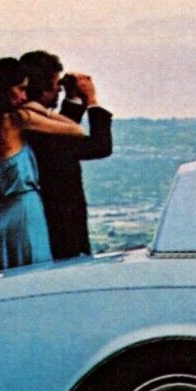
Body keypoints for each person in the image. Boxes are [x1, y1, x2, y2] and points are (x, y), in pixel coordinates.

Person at [0, 57, 87, 275]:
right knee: (34, 277)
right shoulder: (18, 119)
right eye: (21, 89)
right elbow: (76, 130)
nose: (23, 96)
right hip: (24, 210)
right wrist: (40, 110)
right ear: (4, 90)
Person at [18, 50, 114, 260]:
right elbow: (100, 146)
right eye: (55, 85)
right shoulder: (41, 134)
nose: (58, 89)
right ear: (43, 91)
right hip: (63, 220)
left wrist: (72, 98)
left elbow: (58, 128)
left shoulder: (29, 122)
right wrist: (91, 100)